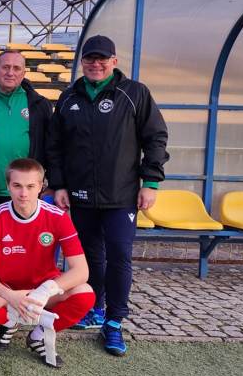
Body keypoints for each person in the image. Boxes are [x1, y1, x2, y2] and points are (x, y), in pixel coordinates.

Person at [47, 35, 169, 356]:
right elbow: (55, 147)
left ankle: (114, 321)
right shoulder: (69, 97)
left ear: (114, 61)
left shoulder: (134, 93)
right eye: (90, 58)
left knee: (119, 255)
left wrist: (150, 182)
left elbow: (156, 137)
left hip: (121, 195)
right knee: (89, 257)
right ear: (82, 62)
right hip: (80, 195)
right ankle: (95, 308)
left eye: (102, 59)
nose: (96, 64)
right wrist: (59, 185)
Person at [0, 158, 95, 368]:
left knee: (85, 293)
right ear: (8, 186)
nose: (23, 193)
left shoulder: (58, 217)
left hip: (43, 289)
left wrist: (44, 291)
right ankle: (10, 321)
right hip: (7, 290)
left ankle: (38, 335)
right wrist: (11, 296)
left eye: (30, 186)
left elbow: (81, 271)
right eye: (17, 185)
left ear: (41, 186)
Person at [0, 50, 53, 209]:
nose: (10, 73)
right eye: (5, 67)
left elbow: (51, 146)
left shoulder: (40, 105)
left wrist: (53, 183)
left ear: (23, 73)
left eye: (16, 68)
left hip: (26, 193)